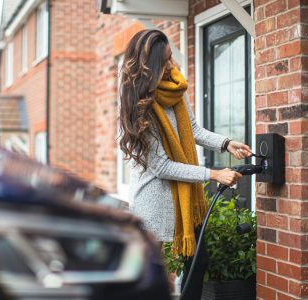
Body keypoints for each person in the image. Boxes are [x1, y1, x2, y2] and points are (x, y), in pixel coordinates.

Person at [118, 29, 252, 299]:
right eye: (165, 62)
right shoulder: (139, 106)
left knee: (198, 262)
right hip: (156, 208)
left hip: (187, 202)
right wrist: (213, 173)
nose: (172, 66)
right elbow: (162, 166)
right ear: (150, 67)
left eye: (171, 58)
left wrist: (226, 143)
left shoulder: (176, 88)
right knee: (159, 282)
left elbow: (193, 130)